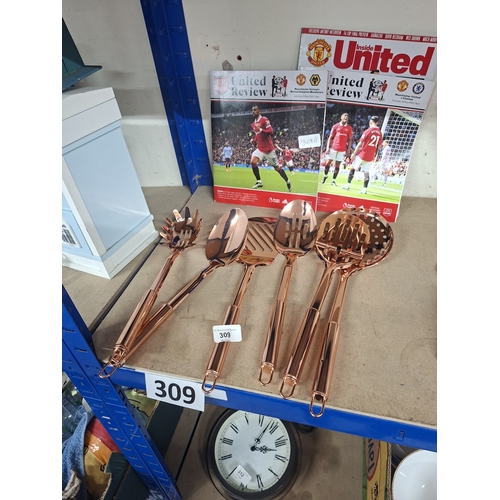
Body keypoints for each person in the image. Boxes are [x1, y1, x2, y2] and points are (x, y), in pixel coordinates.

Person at [249, 105, 292, 192]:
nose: (253, 111)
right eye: (252, 110)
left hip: (269, 149)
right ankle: (259, 181)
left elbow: (271, 132)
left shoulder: (264, 120)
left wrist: (261, 129)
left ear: (259, 111)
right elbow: (257, 135)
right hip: (260, 148)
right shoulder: (253, 124)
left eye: (255, 110)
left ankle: (287, 181)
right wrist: (254, 140)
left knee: (277, 168)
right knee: (253, 162)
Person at [342, 115, 383, 194]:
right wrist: (375, 155)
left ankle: (347, 185)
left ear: (371, 121)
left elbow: (360, 143)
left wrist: (354, 154)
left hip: (363, 154)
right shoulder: (379, 133)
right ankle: (364, 189)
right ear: (377, 122)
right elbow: (379, 146)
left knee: (353, 168)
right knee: (366, 172)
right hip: (370, 156)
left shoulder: (368, 131)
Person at [321, 112, 353, 185]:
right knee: (328, 162)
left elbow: (350, 139)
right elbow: (330, 137)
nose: (346, 117)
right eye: (344, 116)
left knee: (338, 165)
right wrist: (327, 148)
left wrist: (348, 150)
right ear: (341, 118)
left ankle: (333, 181)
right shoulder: (336, 126)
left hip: (342, 150)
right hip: (334, 148)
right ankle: (325, 176)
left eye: (347, 116)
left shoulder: (349, 128)